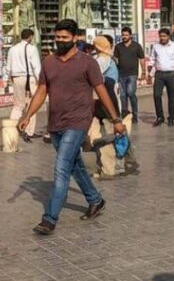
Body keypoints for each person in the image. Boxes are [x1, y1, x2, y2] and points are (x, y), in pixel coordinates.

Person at [16, 18, 124, 235]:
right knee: (75, 166)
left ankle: (49, 218)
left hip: (78, 123)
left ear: (75, 38)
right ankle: (96, 200)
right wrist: (27, 115)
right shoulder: (49, 62)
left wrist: (116, 120)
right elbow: (41, 91)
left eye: (65, 37)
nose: (60, 41)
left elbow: (102, 92)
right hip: (55, 124)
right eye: (57, 37)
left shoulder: (87, 63)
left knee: (62, 168)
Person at [7, 28, 41, 140]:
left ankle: (11, 129)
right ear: (30, 37)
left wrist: (10, 79)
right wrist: (40, 80)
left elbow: (8, 68)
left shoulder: (12, 49)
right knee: (32, 105)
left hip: (16, 78)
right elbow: (36, 66)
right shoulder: (32, 49)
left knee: (18, 105)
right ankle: (29, 131)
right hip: (29, 78)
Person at [149, 28, 174, 127]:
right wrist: (149, 73)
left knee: (171, 96)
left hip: (171, 74)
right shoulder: (156, 47)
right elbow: (152, 60)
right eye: (160, 36)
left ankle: (171, 118)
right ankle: (160, 117)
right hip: (159, 74)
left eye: (164, 36)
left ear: (168, 36)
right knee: (156, 95)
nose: (162, 38)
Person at [113, 26, 145, 122]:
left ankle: (135, 114)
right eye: (123, 35)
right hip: (121, 74)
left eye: (126, 35)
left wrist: (143, 72)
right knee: (122, 95)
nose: (124, 36)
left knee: (131, 92)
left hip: (132, 74)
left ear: (130, 35)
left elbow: (142, 59)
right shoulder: (118, 47)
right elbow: (115, 60)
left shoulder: (137, 46)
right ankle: (125, 113)